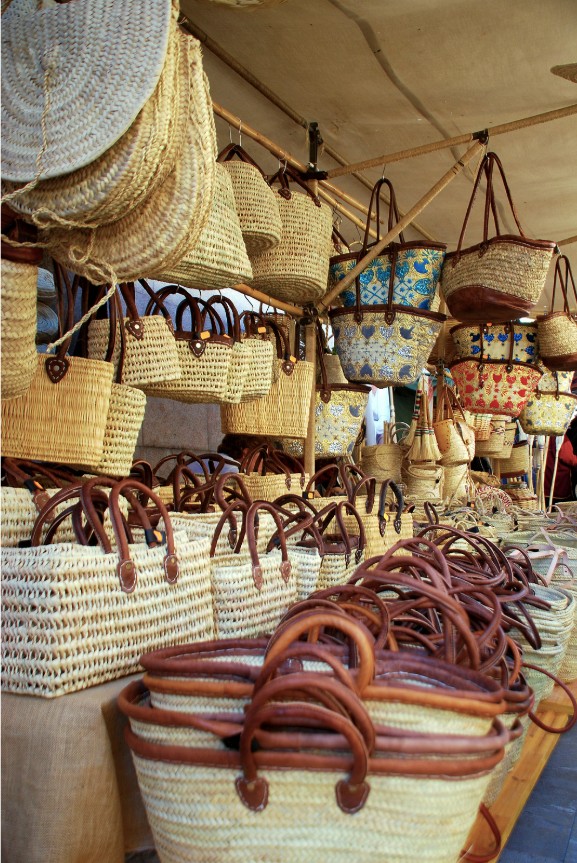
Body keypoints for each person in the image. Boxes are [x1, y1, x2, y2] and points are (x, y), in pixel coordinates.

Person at [544, 416, 577, 502]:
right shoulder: (559, 435)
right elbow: (568, 457)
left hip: (546, 485)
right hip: (558, 485)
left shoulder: (544, 434)